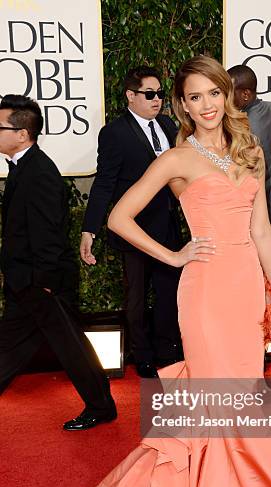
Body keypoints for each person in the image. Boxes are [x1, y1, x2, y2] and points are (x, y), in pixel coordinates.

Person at [51, 56, 271, 487]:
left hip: (246, 286)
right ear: (182, 104)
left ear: (227, 96)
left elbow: (263, 230)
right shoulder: (175, 158)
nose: (206, 105)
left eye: (213, 94)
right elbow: (118, 216)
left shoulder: (251, 150)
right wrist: (173, 256)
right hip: (203, 292)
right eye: (194, 97)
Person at [0, 94, 117, 431]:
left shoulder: (40, 173)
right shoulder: (25, 167)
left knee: (71, 349)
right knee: (9, 347)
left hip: (41, 282)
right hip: (25, 280)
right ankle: (102, 405)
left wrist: (45, 282)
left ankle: (102, 407)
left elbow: (49, 234)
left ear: (22, 134)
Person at [80, 66, 183, 379]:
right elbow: (104, 183)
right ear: (130, 95)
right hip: (133, 229)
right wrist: (89, 229)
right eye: (149, 94)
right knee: (136, 296)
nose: (157, 100)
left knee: (169, 292)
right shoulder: (114, 133)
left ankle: (167, 350)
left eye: (160, 94)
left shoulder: (168, 125)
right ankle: (142, 355)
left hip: (167, 227)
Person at [227, 64, 271, 248]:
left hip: (260, 205)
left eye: (229, 92)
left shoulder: (244, 127)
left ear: (245, 94)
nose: (224, 98)